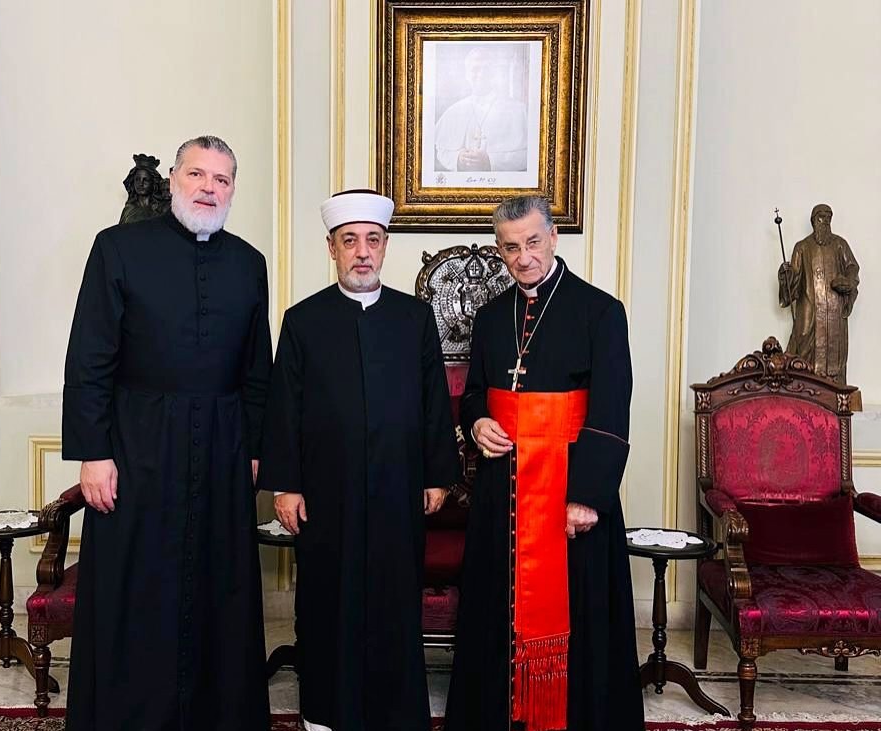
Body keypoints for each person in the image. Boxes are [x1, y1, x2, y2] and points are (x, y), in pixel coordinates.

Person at [62, 135, 271, 731]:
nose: (209, 188)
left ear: (233, 190)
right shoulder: (118, 248)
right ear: (174, 180)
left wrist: (256, 449)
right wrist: (94, 453)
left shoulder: (248, 262)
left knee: (219, 589)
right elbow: (90, 357)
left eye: (222, 179)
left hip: (224, 446)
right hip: (137, 447)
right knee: (137, 587)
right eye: (197, 174)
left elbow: (258, 368)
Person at [258, 189, 461, 731]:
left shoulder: (415, 318)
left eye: (372, 240)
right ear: (332, 249)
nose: (362, 252)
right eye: (350, 241)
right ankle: (326, 713)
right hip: (327, 492)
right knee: (328, 601)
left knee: (395, 602)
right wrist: (286, 486)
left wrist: (437, 474)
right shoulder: (303, 320)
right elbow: (284, 406)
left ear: (385, 246)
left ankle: (396, 714)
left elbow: (433, 400)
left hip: (399, 486)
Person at [444, 195, 643, 731]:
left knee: (576, 614)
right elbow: (475, 394)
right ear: (500, 250)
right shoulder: (490, 317)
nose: (523, 257)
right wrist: (477, 422)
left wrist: (586, 498)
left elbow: (611, 410)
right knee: (495, 612)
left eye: (533, 242)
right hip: (501, 494)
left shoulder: (601, 312)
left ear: (553, 237)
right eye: (511, 248)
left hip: (569, 491)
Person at [778, 203, 860, 384]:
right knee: (804, 353)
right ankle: (801, 386)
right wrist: (786, 276)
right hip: (810, 311)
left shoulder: (840, 245)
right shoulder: (802, 248)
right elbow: (793, 280)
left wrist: (847, 281)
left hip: (834, 312)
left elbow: (852, 268)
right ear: (813, 221)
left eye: (828, 218)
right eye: (821, 218)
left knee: (835, 352)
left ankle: (836, 389)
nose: (825, 222)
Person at [434, 45, 528, 173]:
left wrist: (491, 161)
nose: (481, 74)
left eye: (487, 68)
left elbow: (528, 155)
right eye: (475, 69)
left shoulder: (519, 110)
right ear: (467, 74)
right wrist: (457, 159)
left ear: (494, 73)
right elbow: (442, 151)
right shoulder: (454, 111)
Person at [119, 153, 168, 225]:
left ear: (153, 183)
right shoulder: (128, 210)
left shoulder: (162, 209)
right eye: (137, 179)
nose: (141, 183)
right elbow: (120, 230)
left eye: (146, 180)